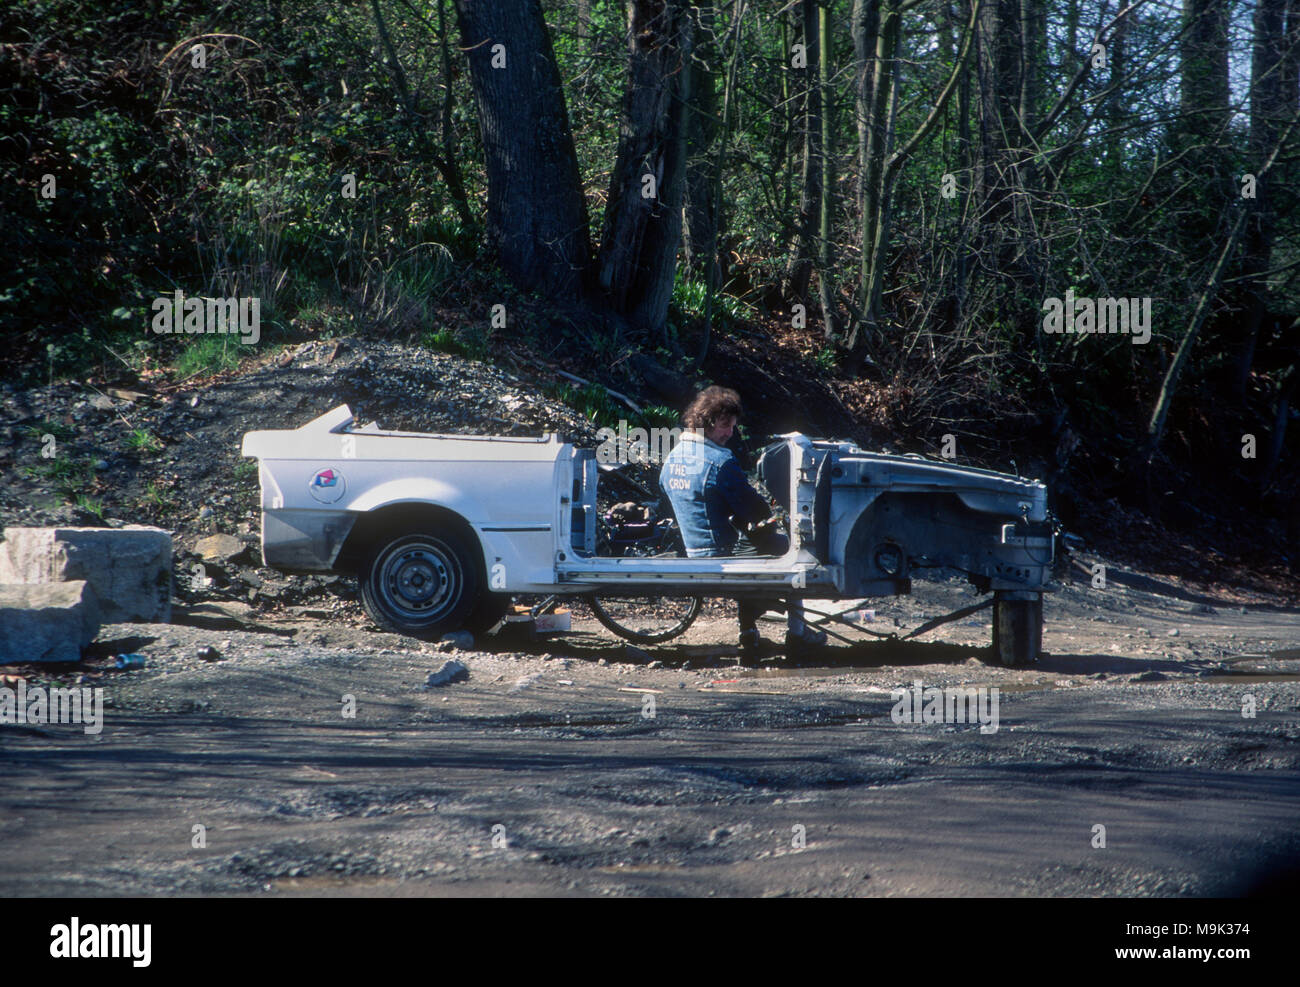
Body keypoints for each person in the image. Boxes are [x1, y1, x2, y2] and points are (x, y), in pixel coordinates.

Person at [658, 385, 826, 658]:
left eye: (733, 426)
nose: (730, 433)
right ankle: (798, 633)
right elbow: (754, 509)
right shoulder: (720, 461)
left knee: (752, 544)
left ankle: (748, 631)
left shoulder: (671, 458)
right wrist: (772, 516)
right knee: (793, 552)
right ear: (707, 422)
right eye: (726, 426)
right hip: (719, 556)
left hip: (692, 552)